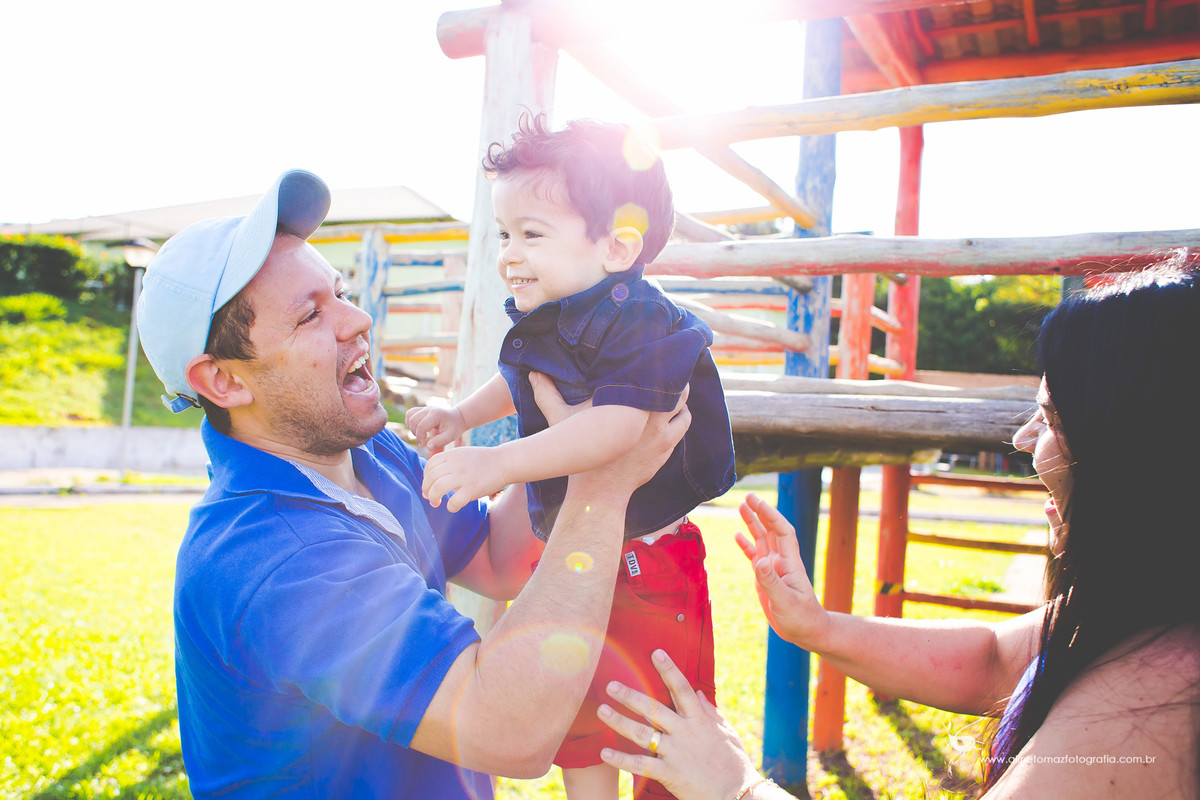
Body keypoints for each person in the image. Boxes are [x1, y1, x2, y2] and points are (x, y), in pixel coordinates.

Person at [135, 168, 690, 799]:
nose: (357, 320)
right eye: (310, 315)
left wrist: (584, 415)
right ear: (226, 382)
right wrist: (600, 484)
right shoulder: (276, 556)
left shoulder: (367, 451)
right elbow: (508, 731)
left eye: (340, 293)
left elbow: (496, 561)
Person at [593, 257, 1200, 799]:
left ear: (1137, 453)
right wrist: (817, 626)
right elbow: (992, 661)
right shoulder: (1147, 614)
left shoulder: (1156, 701)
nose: (1022, 439)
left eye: (1051, 418)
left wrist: (735, 785)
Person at [405, 113, 736, 800]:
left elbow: (617, 431)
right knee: (584, 735)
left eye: (531, 234)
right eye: (504, 233)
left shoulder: (645, 323)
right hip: (586, 558)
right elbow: (525, 377)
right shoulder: (556, 314)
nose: (507, 254)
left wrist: (497, 464)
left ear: (617, 247)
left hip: (649, 564)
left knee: (653, 732)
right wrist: (463, 414)